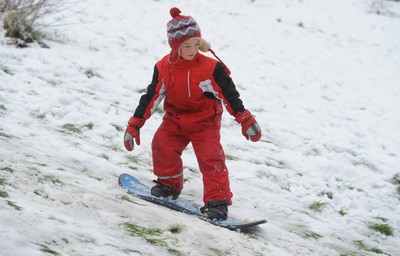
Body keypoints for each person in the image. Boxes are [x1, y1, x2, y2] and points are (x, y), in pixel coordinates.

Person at [123, 7, 261, 220]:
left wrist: (245, 119)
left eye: (196, 44)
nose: (192, 49)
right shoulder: (163, 67)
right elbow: (150, 98)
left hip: (205, 121)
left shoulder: (210, 68)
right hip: (175, 119)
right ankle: (169, 184)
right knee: (162, 144)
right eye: (186, 45)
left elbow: (229, 95)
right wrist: (134, 125)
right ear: (175, 46)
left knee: (211, 158)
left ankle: (218, 202)